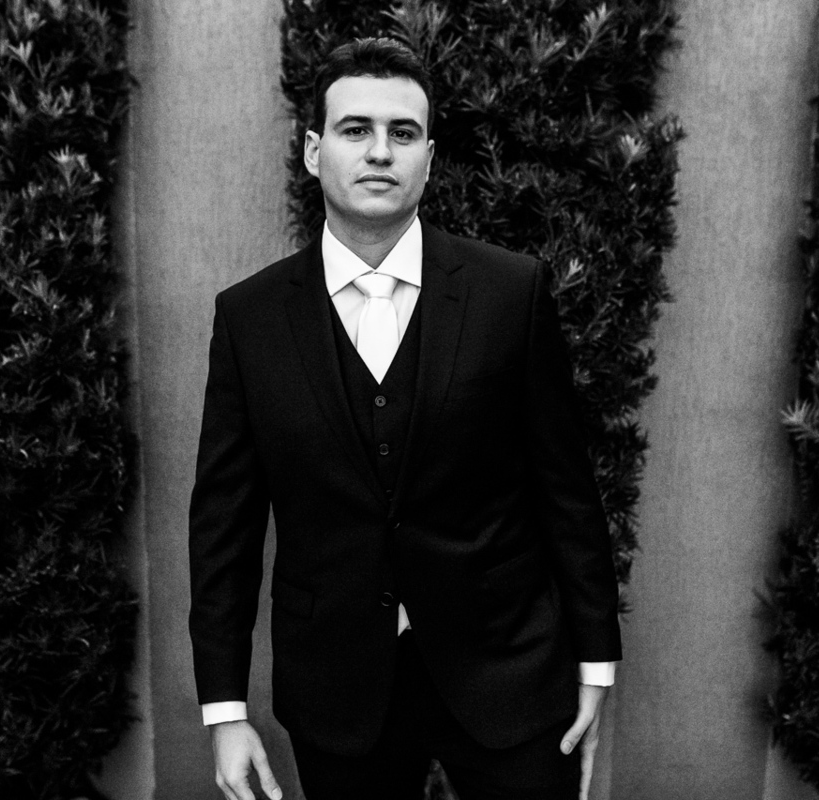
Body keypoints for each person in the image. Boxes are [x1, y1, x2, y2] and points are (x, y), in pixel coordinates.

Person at [188, 37, 622, 800]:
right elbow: (224, 524)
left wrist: (596, 661)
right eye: (356, 129)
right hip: (337, 685)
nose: (380, 151)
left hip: (509, 671)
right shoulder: (250, 318)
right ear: (314, 152)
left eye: (403, 132)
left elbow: (566, 488)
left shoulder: (510, 292)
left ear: (429, 158)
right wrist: (224, 710)